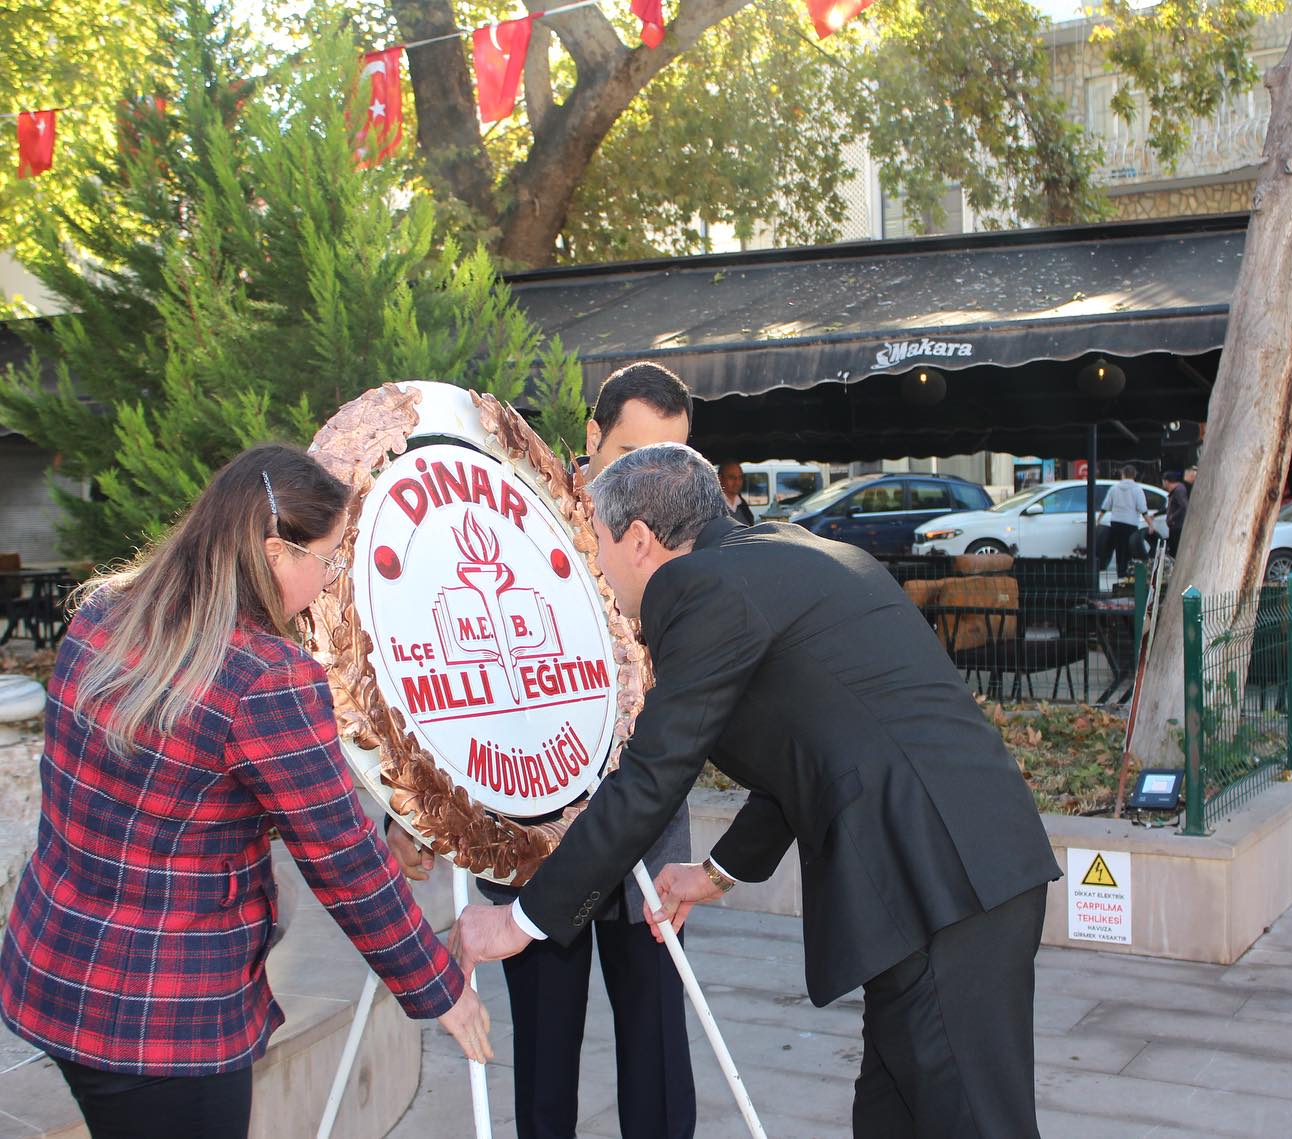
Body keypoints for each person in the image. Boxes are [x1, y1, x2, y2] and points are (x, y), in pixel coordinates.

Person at [449, 442, 1063, 1138]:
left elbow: (651, 778)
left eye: (596, 541)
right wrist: (714, 873)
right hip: (953, 870)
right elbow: (811, 749)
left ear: (641, 540)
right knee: (894, 1116)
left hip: (941, 882)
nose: (591, 564)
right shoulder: (782, 552)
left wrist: (521, 919)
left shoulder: (697, 590)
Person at [0, 444, 490, 1139]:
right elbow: (343, 863)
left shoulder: (107, 612)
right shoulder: (266, 674)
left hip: (54, 975)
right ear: (272, 550)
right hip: (162, 1020)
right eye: (325, 560)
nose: (327, 584)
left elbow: (177, 783)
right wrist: (437, 985)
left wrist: (384, 826)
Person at [388, 361, 698, 1139]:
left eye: (674, 459)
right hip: (532, 836)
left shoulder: (687, 532)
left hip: (646, 836)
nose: (654, 481)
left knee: (659, 1053)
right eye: (632, 455)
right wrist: (415, 815)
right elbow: (440, 672)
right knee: (544, 1062)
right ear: (591, 438)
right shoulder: (515, 511)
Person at [1098, 464, 1153, 574]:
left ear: (1122, 474)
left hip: (1116, 522)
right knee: (1129, 549)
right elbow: (1143, 509)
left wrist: (1098, 520)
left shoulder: (1114, 488)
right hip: (1130, 523)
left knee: (1118, 549)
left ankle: (1120, 572)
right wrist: (1150, 524)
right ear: (1134, 475)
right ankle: (1127, 573)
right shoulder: (1137, 490)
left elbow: (1105, 506)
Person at [716, 460, 755, 525]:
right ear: (719, 478)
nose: (737, 482)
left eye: (740, 477)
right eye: (732, 477)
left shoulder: (743, 506)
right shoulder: (713, 506)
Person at [1162, 470, 1189, 558]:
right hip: (1174, 526)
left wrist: (1172, 517)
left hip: (1177, 526)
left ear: (1166, 481)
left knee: (1175, 550)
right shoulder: (1176, 490)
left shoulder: (1179, 491)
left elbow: (1184, 506)